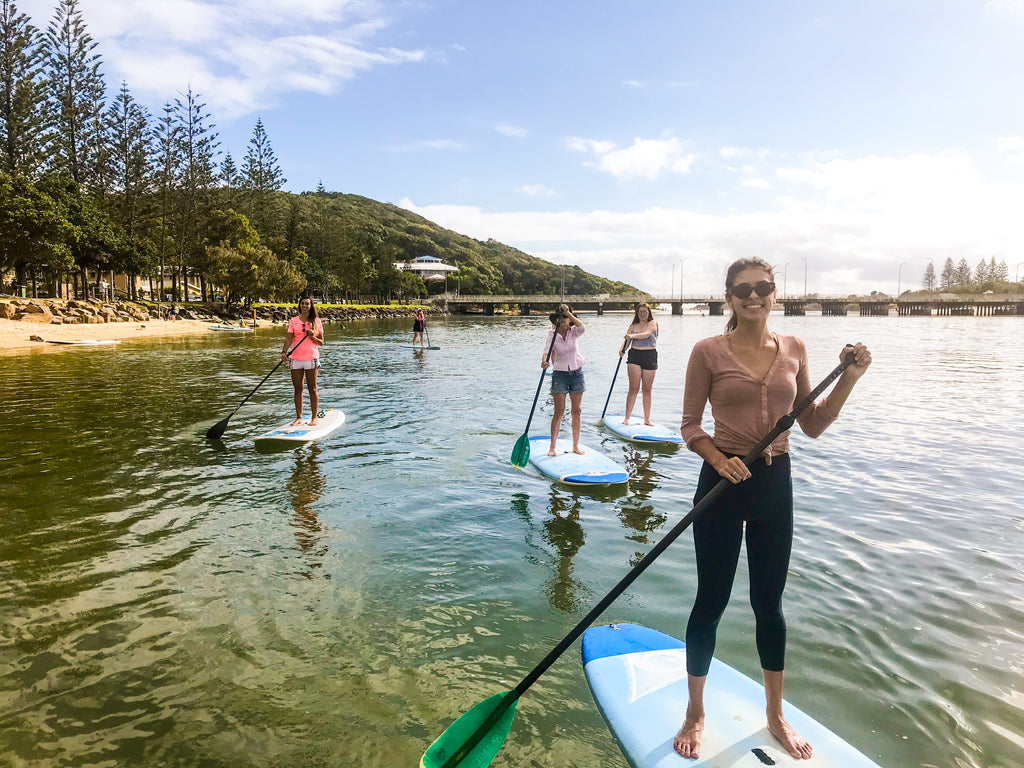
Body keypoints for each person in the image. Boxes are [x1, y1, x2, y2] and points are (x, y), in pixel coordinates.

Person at [673, 257, 871, 761]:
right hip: (721, 485)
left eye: (762, 287)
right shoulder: (706, 351)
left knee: (769, 605)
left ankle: (776, 714)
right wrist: (719, 460)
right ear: (729, 298)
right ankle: (695, 712)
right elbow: (690, 426)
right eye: (742, 290)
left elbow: (813, 424)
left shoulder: (796, 348)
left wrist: (849, 378)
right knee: (711, 601)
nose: (753, 296)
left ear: (774, 295)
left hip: (774, 485)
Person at [540, 304, 586, 456]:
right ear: (556, 320)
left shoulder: (574, 332)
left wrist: (569, 313)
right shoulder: (552, 335)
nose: (563, 320)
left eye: (565, 317)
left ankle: (576, 446)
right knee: (559, 411)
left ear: (570, 319)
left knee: (576, 411)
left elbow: (582, 327)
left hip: (577, 374)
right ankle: (552, 447)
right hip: (560, 375)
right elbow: (547, 351)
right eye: (560, 317)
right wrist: (544, 361)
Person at [281, 296, 325, 426]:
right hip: (296, 359)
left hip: (311, 358)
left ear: (311, 306)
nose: (304, 306)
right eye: (302, 303)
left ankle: (314, 417)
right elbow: (289, 339)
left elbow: (321, 342)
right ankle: (299, 417)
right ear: (300, 305)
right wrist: (284, 352)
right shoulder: (293, 321)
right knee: (298, 389)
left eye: (307, 304)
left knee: (312, 388)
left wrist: (313, 336)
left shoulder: (316, 321)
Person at [621, 302, 659, 426]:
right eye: (641, 312)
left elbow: (647, 334)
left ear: (649, 313)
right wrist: (622, 350)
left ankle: (647, 419)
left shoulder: (652, 323)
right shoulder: (633, 326)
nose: (643, 314)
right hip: (635, 356)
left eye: (645, 312)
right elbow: (627, 341)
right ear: (637, 313)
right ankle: (627, 418)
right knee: (633, 388)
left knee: (647, 389)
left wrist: (632, 336)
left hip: (650, 356)